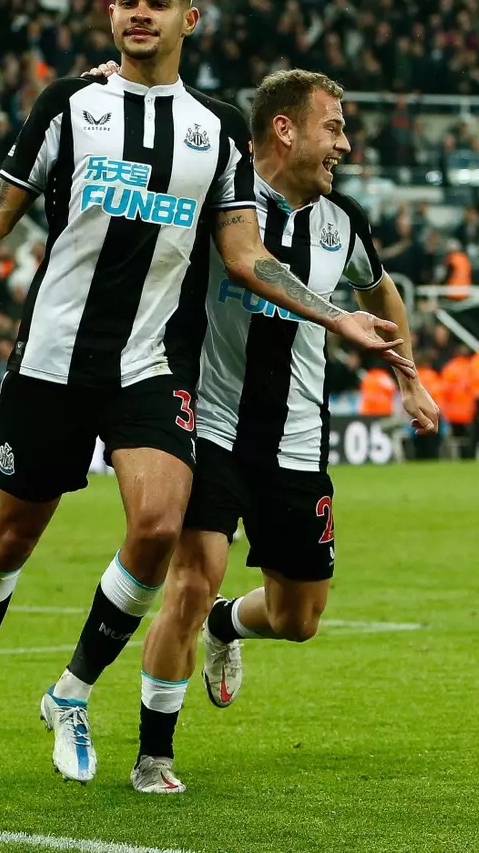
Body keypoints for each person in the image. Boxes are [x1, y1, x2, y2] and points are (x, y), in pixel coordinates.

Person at [0, 0, 410, 795]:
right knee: (9, 540)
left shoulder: (212, 127)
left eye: (156, 4)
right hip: (53, 358)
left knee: (156, 522)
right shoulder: (69, 103)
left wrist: (338, 315)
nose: (138, 15)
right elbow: (3, 206)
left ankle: (71, 693)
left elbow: (246, 255)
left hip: (149, 363)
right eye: (126, 3)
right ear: (111, 15)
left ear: (189, 20)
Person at [134, 69, 440, 793]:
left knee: (299, 618)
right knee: (189, 578)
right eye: (332, 128)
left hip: (298, 439)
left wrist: (409, 371)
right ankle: (154, 756)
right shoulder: (222, 197)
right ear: (285, 128)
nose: (344, 144)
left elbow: (378, 287)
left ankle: (225, 627)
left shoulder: (343, 220)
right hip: (208, 425)